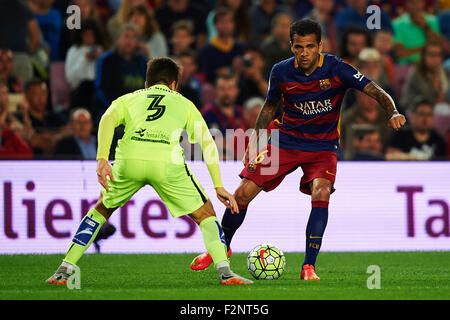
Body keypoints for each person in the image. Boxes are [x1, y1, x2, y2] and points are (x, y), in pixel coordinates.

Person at [190, 19, 406, 280]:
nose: (304, 53)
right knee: (242, 193)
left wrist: (392, 111)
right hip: (285, 141)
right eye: (299, 46)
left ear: (320, 46)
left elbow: (375, 90)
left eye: (310, 46)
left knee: (322, 191)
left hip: (322, 146)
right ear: (291, 46)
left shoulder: (338, 69)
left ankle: (308, 267)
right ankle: (221, 248)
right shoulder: (280, 71)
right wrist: (255, 137)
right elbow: (270, 105)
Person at [46, 57, 253, 286]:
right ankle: (226, 273)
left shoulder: (129, 98)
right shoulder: (184, 103)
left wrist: (102, 159)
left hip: (129, 160)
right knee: (205, 214)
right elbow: (207, 143)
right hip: (166, 162)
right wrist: (218, 185)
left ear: (147, 84)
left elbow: (106, 119)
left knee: (100, 210)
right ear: (174, 84)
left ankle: (64, 270)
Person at [93, 24, 147, 124]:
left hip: (138, 111)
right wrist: (118, 110)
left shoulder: (142, 61)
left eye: (133, 37)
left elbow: (148, 88)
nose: (129, 41)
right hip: (111, 109)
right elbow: (101, 89)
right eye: (126, 36)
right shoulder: (106, 60)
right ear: (117, 39)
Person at [197, 7, 245, 84]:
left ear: (233, 24)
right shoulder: (206, 50)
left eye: (229, 21)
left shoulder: (240, 47)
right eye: (222, 21)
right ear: (215, 25)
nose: (225, 25)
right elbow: (206, 75)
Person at [65, 18, 104, 111]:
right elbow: (70, 78)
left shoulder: (100, 50)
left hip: (97, 90)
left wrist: (100, 59)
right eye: (86, 35)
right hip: (79, 90)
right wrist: (84, 59)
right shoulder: (74, 51)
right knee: (86, 85)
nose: (89, 38)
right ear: (81, 35)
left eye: (91, 35)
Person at [400, 40, 449, 113]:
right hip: (415, 109)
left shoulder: (445, 72)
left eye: (439, 54)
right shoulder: (416, 72)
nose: (435, 58)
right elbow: (426, 95)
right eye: (431, 54)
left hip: (440, 107)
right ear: (424, 56)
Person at [392, 0, 442, 65]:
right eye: (411, 2)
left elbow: (437, 46)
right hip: (408, 65)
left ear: (423, 3)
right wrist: (426, 50)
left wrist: (425, 27)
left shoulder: (433, 20)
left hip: (430, 64)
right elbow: (401, 53)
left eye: (418, 2)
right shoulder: (397, 23)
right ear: (406, 4)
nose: (415, 5)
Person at [260, 12, 293, 79]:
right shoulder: (266, 49)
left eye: (289, 26)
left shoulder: (294, 47)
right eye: (283, 26)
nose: (287, 30)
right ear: (274, 28)